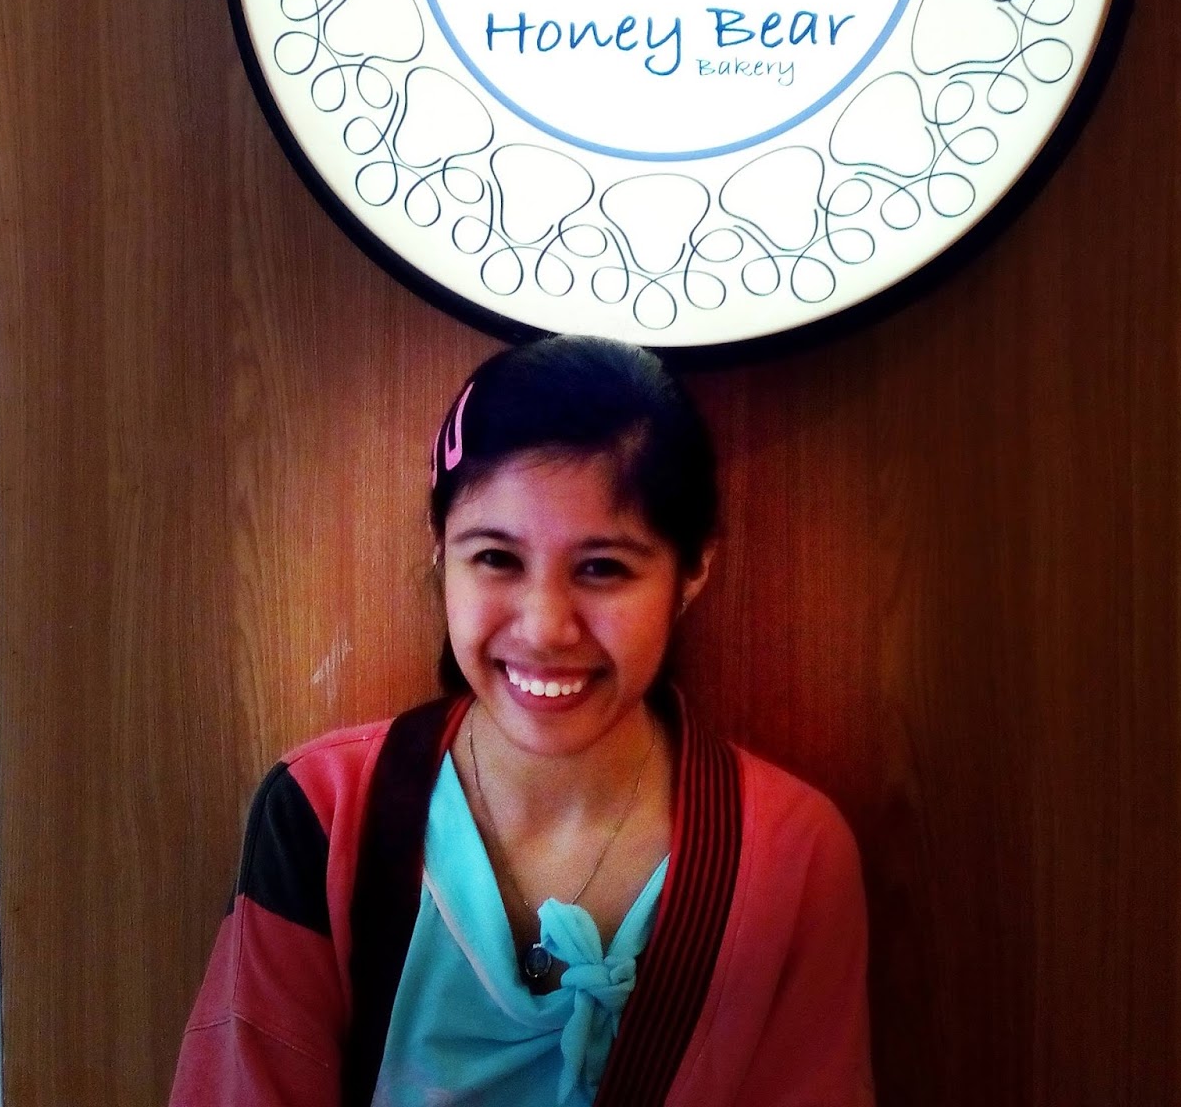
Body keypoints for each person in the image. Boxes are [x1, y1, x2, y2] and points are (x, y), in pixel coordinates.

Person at [169, 335, 873, 1105]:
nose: (544, 628)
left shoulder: (794, 854)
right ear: (441, 549)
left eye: (603, 568)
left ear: (693, 568)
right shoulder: (324, 813)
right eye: (496, 559)